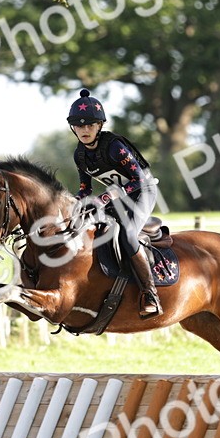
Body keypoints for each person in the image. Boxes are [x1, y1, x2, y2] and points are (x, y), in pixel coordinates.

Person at [67, 88, 162, 318]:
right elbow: (85, 189)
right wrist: (74, 204)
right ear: (73, 128)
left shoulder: (113, 146)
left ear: (100, 126)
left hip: (143, 191)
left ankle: (151, 295)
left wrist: (106, 197)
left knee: (127, 235)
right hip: (118, 197)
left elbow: (138, 179)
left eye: (90, 125)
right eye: (80, 126)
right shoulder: (79, 155)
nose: (85, 130)